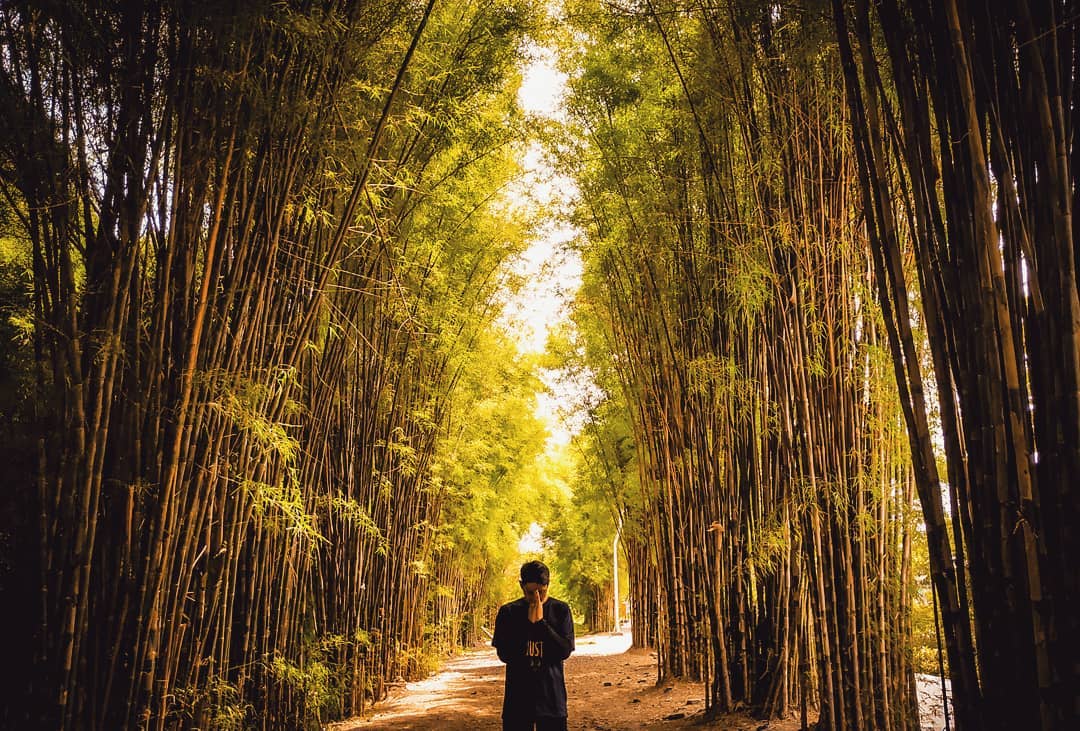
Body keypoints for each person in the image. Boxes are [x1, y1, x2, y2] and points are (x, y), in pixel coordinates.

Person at [492, 560, 575, 731]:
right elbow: (504, 654)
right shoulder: (508, 612)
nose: (536, 598)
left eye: (541, 592)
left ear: (548, 585)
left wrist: (541, 625)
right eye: (531, 593)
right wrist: (528, 626)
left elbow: (565, 650)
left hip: (552, 700)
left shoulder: (561, 610)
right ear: (521, 586)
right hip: (517, 701)